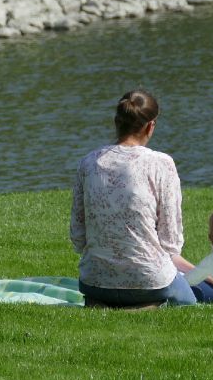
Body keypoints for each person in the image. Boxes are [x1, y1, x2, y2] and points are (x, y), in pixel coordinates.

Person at [70, 89, 197, 306]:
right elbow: (171, 242)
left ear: (117, 122)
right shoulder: (161, 164)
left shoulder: (88, 162)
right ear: (151, 125)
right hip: (149, 283)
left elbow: (78, 236)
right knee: (197, 298)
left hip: (94, 283)